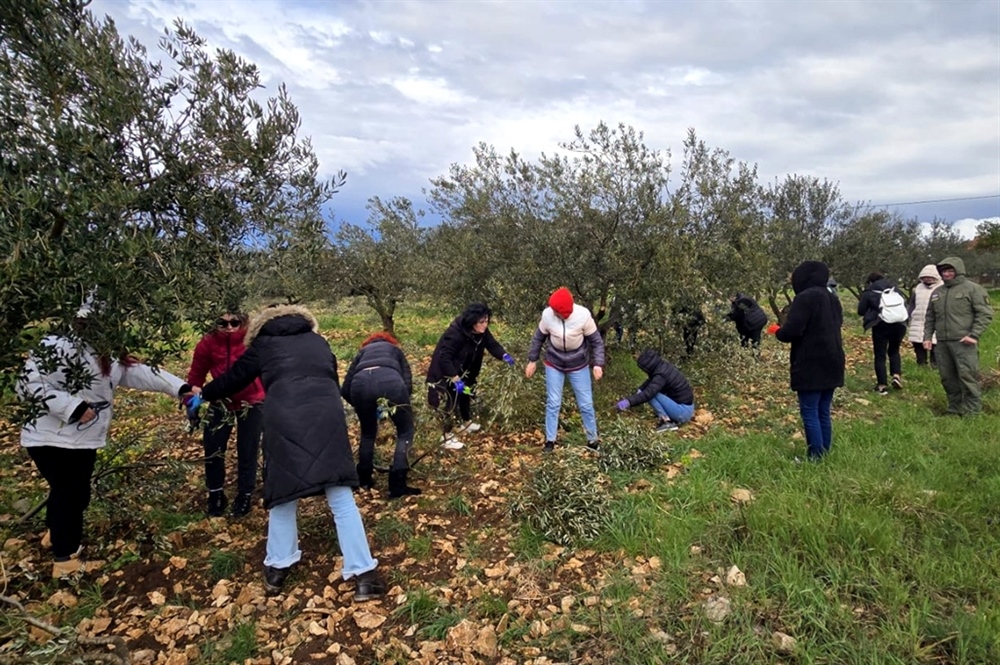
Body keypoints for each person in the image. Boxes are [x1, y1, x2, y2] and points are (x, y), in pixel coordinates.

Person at [198, 304, 384, 600]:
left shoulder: (263, 344)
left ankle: (277, 568)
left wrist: (203, 394)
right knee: (340, 494)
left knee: (283, 491)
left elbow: (235, 378)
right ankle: (364, 575)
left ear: (262, 324)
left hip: (284, 418)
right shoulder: (318, 341)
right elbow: (330, 374)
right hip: (327, 415)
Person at [18, 303, 196, 578]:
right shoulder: (54, 345)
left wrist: (179, 387)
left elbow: (138, 372)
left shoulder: (107, 352)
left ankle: (57, 535)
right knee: (69, 493)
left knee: (72, 492)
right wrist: (72, 407)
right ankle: (65, 561)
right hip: (48, 436)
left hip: (83, 438)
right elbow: (29, 385)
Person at [186, 311, 264, 518]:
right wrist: (190, 404)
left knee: (247, 449)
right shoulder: (208, 343)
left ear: (243, 322)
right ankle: (216, 494)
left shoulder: (252, 341)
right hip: (220, 401)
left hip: (252, 400)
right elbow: (196, 374)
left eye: (234, 323)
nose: (229, 327)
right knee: (213, 448)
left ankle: (245, 494)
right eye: (223, 323)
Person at [773, 261, 845, 460]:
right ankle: (824, 453)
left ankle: (815, 456)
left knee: (810, 411)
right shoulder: (833, 298)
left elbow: (793, 331)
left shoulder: (805, 298)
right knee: (823, 410)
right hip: (833, 360)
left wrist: (778, 331)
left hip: (811, 363)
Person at [525, 287, 606, 452]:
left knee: (586, 404)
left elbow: (596, 342)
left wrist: (597, 364)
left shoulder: (583, 316)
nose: (554, 313)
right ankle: (550, 441)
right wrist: (532, 360)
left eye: (557, 311)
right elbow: (538, 338)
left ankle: (593, 440)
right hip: (554, 362)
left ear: (565, 311)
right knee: (553, 402)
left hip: (578, 364)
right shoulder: (547, 315)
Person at [341, 332, 419, 498]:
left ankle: (364, 480)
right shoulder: (395, 350)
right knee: (405, 431)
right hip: (390, 382)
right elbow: (407, 382)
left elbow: (345, 389)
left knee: (368, 433)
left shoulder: (362, 353)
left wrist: (364, 408)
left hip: (360, 384)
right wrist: (399, 405)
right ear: (391, 342)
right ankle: (397, 485)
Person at [425, 303, 514, 449]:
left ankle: (466, 422)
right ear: (472, 322)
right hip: (447, 373)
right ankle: (446, 437)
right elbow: (444, 358)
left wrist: (505, 356)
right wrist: (455, 378)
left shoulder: (482, 331)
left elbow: (492, 345)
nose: (485, 325)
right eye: (482, 322)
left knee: (466, 392)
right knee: (450, 400)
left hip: (466, 370)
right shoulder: (455, 334)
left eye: (487, 321)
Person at [923, 257, 994, 416]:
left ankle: (972, 412)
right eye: (944, 271)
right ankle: (954, 409)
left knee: (967, 377)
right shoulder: (937, 292)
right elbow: (930, 317)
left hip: (964, 343)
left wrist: (974, 335)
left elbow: (985, 314)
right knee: (947, 377)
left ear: (958, 271)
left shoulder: (973, 289)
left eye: (950, 270)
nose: (946, 274)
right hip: (942, 343)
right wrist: (927, 337)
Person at [615, 349, 695, 432]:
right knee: (649, 391)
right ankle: (669, 416)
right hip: (687, 407)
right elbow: (651, 381)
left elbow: (648, 394)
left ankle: (666, 422)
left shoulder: (661, 375)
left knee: (652, 395)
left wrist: (629, 402)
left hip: (683, 412)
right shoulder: (662, 367)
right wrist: (640, 389)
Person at [857, 272, 908, 394]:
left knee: (880, 354)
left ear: (870, 282)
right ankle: (896, 375)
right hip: (900, 324)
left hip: (881, 324)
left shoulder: (869, 292)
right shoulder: (895, 289)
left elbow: (861, 311)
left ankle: (882, 385)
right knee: (894, 350)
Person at [907, 264, 941, 367]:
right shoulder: (918, 288)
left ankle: (935, 364)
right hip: (918, 320)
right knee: (918, 343)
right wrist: (909, 315)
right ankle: (921, 364)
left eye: (930, 277)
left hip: (935, 321)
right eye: (925, 277)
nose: (928, 279)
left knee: (935, 344)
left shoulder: (942, 288)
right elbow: (912, 304)